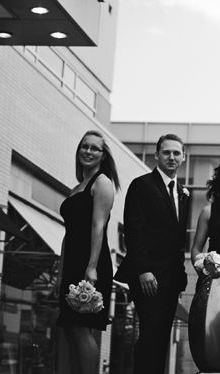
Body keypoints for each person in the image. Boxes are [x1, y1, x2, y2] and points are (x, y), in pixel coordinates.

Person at [114, 133, 191, 374]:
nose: (171, 157)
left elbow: (178, 239)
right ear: (157, 155)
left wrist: (180, 276)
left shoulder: (184, 193)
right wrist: (144, 270)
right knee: (151, 330)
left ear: (183, 157)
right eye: (166, 152)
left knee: (161, 335)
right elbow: (134, 229)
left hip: (171, 278)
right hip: (146, 275)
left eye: (176, 153)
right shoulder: (142, 185)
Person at [56, 131, 118, 374]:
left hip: (90, 262)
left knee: (82, 328)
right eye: (85, 146)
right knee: (71, 328)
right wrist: (61, 274)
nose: (88, 152)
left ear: (103, 155)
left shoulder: (102, 183)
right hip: (72, 261)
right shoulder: (75, 188)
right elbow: (68, 234)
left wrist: (91, 266)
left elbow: (98, 226)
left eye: (95, 148)